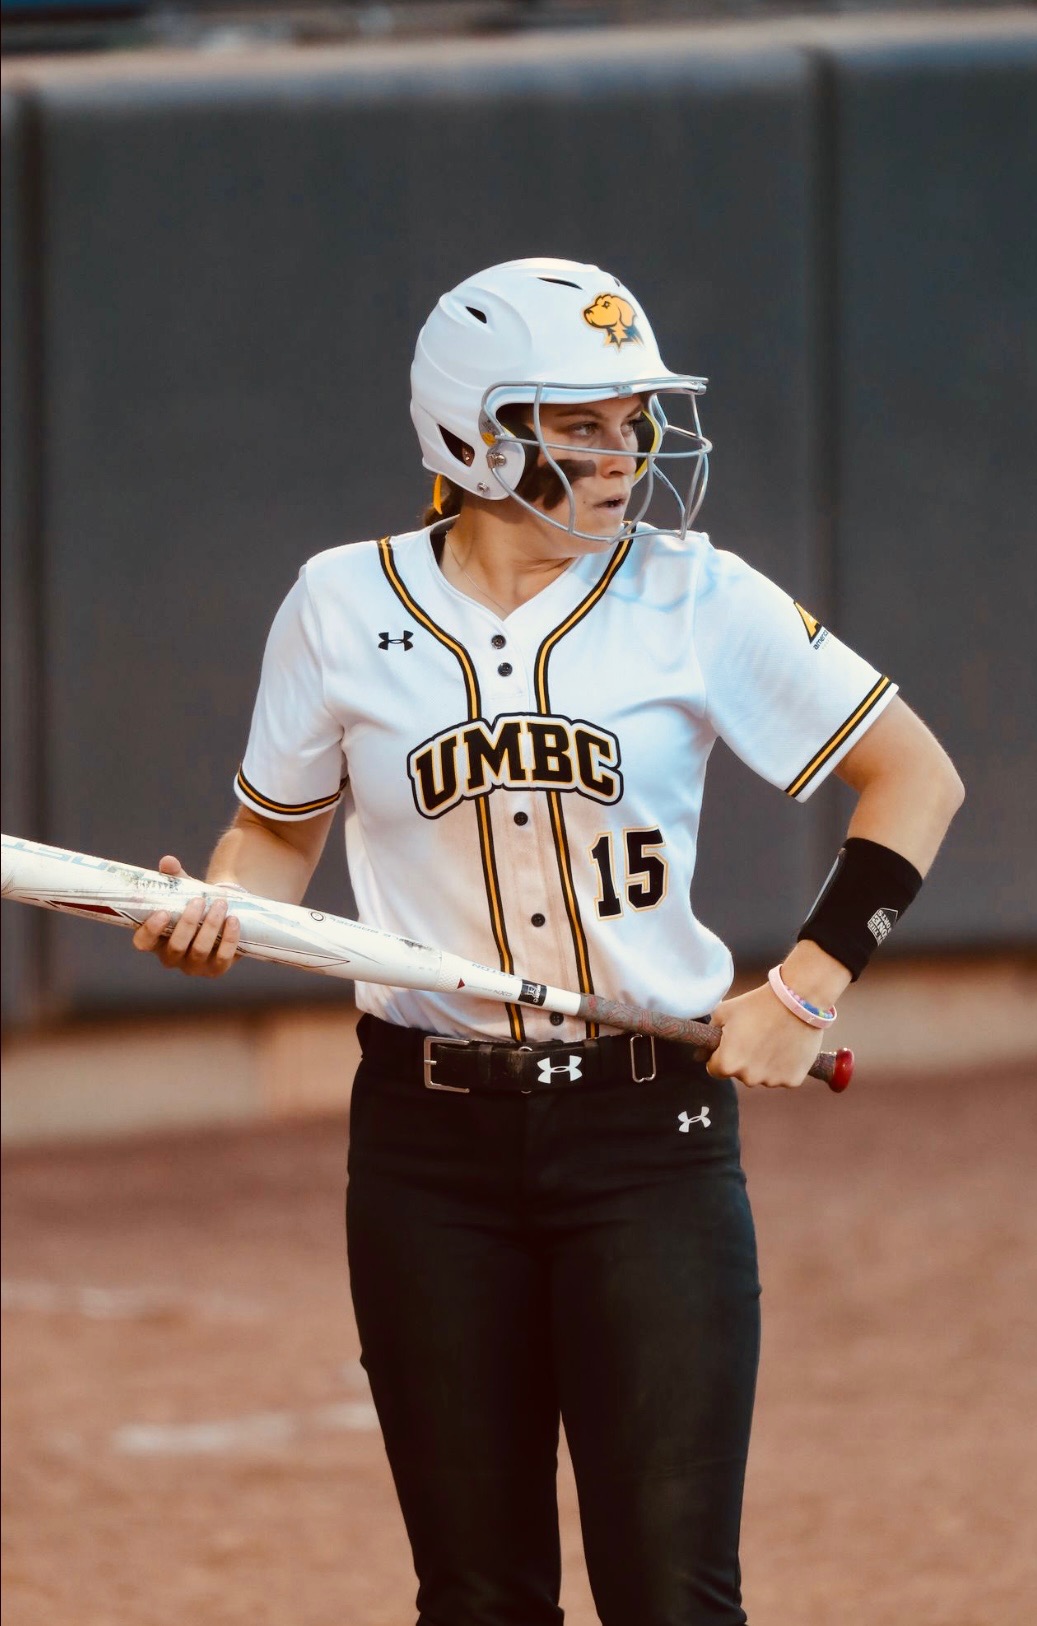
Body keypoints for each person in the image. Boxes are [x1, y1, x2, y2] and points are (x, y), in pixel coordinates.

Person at [133, 257, 963, 1625]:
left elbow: (915, 777)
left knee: (672, 1598)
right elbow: (270, 837)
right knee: (475, 1599)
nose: (623, 453)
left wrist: (806, 987)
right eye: (581, 425)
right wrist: (223, 906)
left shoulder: (694, 595)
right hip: (426, 1146)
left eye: (633, 421)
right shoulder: (338, 605)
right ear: (475, 434)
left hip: (648, 1138)